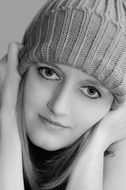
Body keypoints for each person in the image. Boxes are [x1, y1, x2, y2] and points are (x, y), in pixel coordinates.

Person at [0, 0, 126, 189]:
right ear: (20, 69)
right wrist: (7, 112)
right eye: (49, 73)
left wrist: (96, 147)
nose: (58, 107)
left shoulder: (117, 153)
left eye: (91, 91)